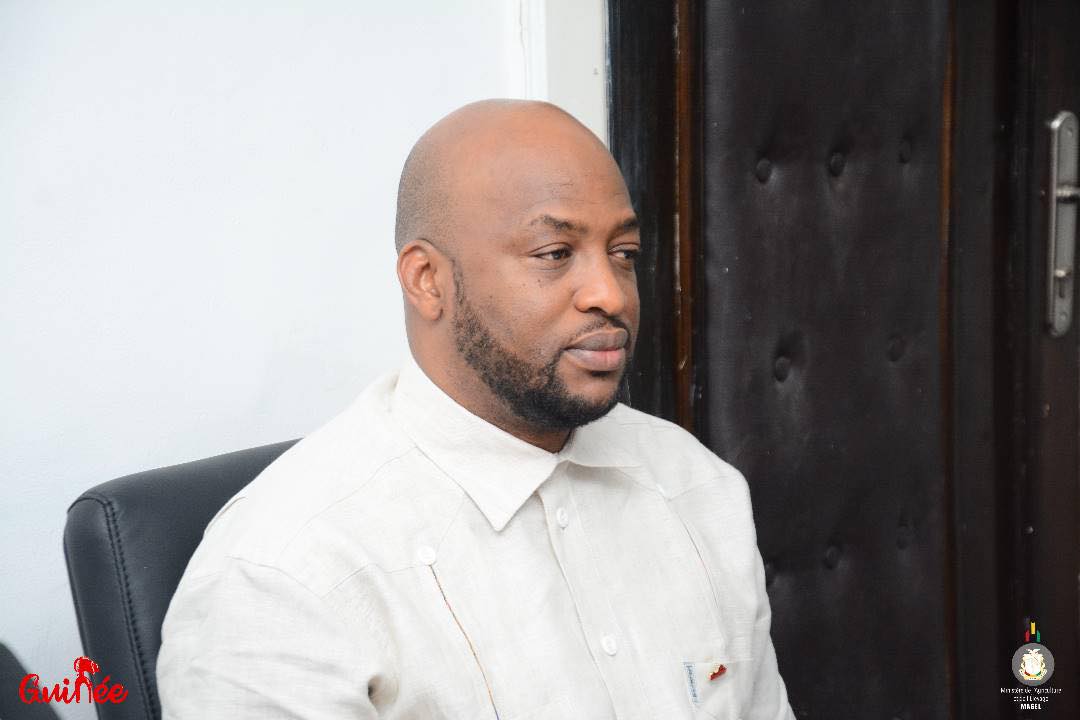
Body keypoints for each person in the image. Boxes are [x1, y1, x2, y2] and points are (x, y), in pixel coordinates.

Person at [157, 99, 794, 719]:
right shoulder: (285, 576)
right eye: (554, 254)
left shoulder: (692, 485)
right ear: (427, 280)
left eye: (623, 254)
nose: (610, 293)